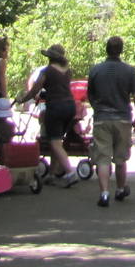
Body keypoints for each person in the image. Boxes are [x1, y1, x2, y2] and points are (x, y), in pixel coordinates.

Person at [86, 35, 135, 207]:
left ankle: (104, 193)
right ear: (121, 50)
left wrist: (97, 108)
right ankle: (120, 188)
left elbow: (90, 94)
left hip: (102, 118)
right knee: (120, 158)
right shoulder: (129, 71)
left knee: (103, 158)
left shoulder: (96, 70)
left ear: (106, 49)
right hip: (122, 118)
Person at [16, 44, 79, 185]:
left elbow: (35, 90)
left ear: (50, 57)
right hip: (70, 106)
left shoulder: (47, 71)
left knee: (54, 142)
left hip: (55, 107)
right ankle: (52, 173)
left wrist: (22, 99)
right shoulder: (68, 71)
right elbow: (59, 87)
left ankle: (70, 172)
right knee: (58, 140)